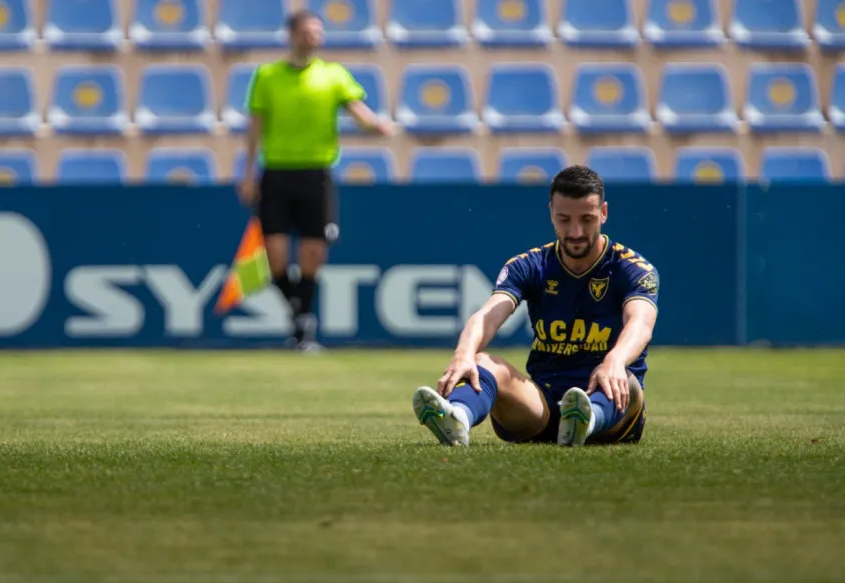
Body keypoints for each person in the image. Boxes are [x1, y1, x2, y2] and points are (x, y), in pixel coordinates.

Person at [412, 165, 660, 447]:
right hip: (542, 403)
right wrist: (463, 354)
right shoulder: (529, 265)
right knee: (481, 361)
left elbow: (640, 323)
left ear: (603, 213)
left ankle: (586, 420)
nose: (575, 231)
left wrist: (614, 361)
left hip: (611, 404)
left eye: (587, 219)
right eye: (564, 219)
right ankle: (458, 418)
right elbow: (488, 316)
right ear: (551, 212)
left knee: (625, 381)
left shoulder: (633, 268)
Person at [237, 9, 391, 352]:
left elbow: (359, 112)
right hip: (275, 172)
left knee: (312, 252)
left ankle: (301, 327)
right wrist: (247, 174)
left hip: (316, 175)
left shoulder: (333, 75)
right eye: (308, 31)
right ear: (292, 34)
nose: (314, 37)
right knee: (275, 255)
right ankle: (301, 313)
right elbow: (255, 128)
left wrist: (379, 126)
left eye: (318, 31)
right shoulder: (267, 75)